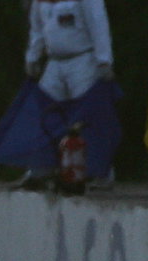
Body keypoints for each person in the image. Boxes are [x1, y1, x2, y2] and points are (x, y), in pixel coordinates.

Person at [19, 0, 114, 189]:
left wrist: (104, 59)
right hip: (54, 62)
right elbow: (37, 29)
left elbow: (98, 25)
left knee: (88, 118)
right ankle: (41, 169)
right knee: (44, 115)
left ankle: (100, 172)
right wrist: (32, 56)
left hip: (83, 60)